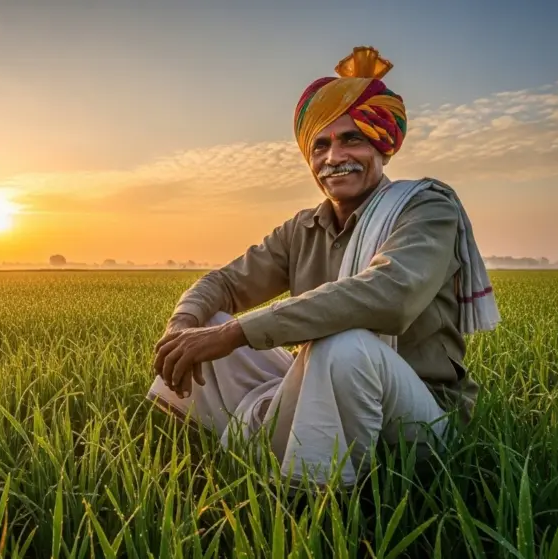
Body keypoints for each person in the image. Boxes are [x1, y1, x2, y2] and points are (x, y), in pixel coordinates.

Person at [148, 46, 500, 487]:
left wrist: (234, 333)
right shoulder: (304, 227)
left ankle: (313, 505)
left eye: (352, 138)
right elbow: (225, 282)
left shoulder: (425, 209)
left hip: (417, 419)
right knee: (208, 322)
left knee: (345, 346)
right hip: (322, 390)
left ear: (382, 146)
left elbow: (391, 295)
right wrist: (183, 325)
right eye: (321, 144)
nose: (334, 156)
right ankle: (216, 465)